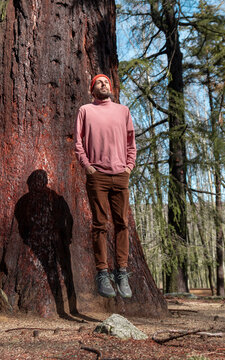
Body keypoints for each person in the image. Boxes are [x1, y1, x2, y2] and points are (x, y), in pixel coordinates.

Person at [74, 74, 136, 298]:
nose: (104, 84)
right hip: (97, 175)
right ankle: (102, 273)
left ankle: (122, 271)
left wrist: (129, 166)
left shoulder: (123, 111)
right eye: (99, 82)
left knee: (122, 224)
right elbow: (78, 142)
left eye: (107, 82)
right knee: (100, 224)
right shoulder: (85, 111)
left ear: (111, 88)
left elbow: (131, 142)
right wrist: (88, 166)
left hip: (121, 175)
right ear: (93, 89)